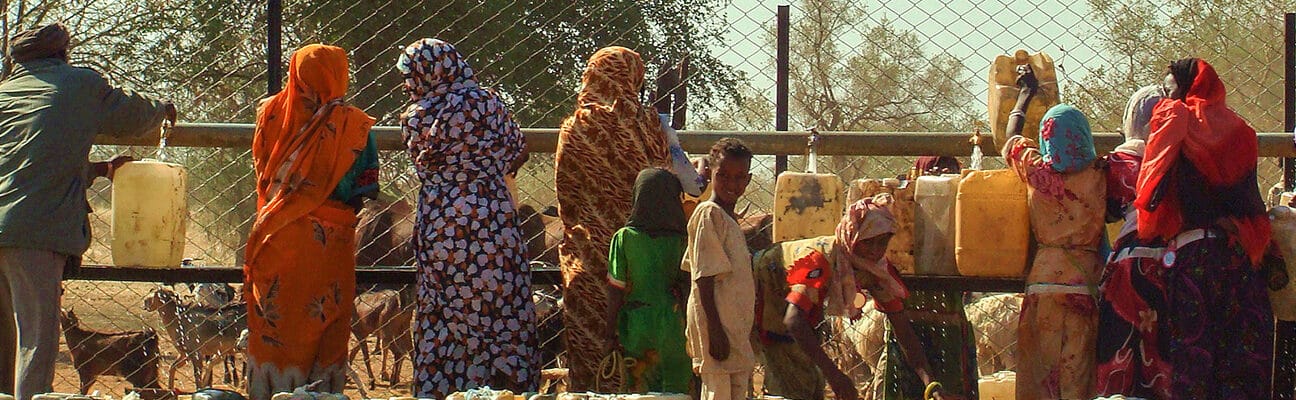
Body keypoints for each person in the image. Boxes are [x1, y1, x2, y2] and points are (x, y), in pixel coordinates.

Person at [0, 23, 175, 399]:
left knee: (2, 342)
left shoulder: (5, 92)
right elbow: (132, 116)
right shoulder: (80, 84)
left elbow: (26, 162)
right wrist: (161, 109)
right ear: (64, 52)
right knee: (35, 341)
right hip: (34, 232)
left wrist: (96, 169)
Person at [397, 38, 537, 398]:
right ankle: (506, 385)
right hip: (492, 218)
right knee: (500, 302)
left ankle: (446, 389)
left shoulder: (416, 118)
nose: (407, 83)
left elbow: (421, 164)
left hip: (441, 223)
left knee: (444, 308)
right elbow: (517, 149)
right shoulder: (488, 103)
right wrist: (488, 169)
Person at [242, 43, 377, 400]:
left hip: (276, 236)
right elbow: (365, 188)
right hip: (328, 245)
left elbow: (263, 173)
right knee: (324, 322)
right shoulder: (354, 125)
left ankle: (270, 392)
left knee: (277, 324)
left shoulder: (270, 113)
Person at [1134, 58, 1273, 398]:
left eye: (1170, 90)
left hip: (1192, 259)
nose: (1167, 98)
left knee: (1193, 362)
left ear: (1185, 88)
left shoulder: (1175, 121)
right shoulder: (1241, 131)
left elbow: (1150, 191)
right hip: (1238, 259)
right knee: (1241, 361)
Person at [555, 46, 671, 391]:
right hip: (645, 261)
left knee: (592, 350)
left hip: (593, 259)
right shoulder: (650, 124)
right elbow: (663, 184)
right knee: (642, 357)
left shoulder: (577, 127)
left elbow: (567, 197)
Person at [754, 195, 947, 400]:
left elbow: (903, 330)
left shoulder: (877, 270)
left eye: (882, 243)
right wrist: (835, 376)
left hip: (798, 310)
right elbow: (793, 320)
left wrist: (931, 384)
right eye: (867, 242)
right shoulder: (819, 260)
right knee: (791, 375)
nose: (874, 250)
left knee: (808, 378)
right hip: (764, 288)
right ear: (852, 236)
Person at [1003, 66, 1104, 400]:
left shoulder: (1036, 171)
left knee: (1039, 379)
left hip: (1043, 282)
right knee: (1077, 379)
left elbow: (1011, 137)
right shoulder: (1102, 175)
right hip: (1083, 284)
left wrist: (1024, 95)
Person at [1095, 86, 1172, 398]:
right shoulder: (1173, 161)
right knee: (1160, 355)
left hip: (1127, 267)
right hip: (1168, 264)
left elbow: (1108, 212)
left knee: (1117, 349)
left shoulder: (1117, 163)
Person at [876, 157, 976, 400]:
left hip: (949, 317)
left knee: (953, 378)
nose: (942, 173)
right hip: (907, 313)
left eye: (949, 168)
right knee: (902, 377)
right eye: (934, 168)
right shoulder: (902, 209)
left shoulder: (963, 205)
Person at [603, 168, 691, 394]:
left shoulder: (624, 238)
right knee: (676, 387)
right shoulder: (683, 240)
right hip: (675, 323)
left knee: (640, 387)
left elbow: (616, 290)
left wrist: (609, 334)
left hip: (637, 325)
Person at [682, 138, 755, 400]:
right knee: (718, 391)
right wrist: (714, 330)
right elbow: (703, 276)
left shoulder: (728, 218)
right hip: (717, 328)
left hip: (733, 327)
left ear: (747, 180)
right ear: (710, 174)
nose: (731, 184)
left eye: (738, 177)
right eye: (723, 175)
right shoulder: (708, 214)